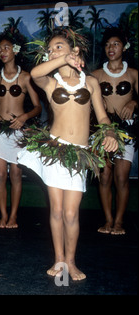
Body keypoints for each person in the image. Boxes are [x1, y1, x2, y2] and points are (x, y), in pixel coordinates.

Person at [17, 27, 120, 281]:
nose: (53, 52)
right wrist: (61, 59)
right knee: (56, 210)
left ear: (75, 50)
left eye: (59, 47)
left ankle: (72, 261)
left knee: (71, 213)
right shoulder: (51, 82)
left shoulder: (91, 82)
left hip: (78, 154)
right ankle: (59, 259)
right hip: (55, 150)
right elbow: (34, 73)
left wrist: (109, 133)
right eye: (50, 50)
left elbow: (103, 115)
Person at [0, 33, 42, 228]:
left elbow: (38, 107)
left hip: (18, 131)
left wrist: (24, 117)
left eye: (6, 48)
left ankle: (13, 217)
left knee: (16, 175)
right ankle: (3, 216)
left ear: (16, 50)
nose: (2, 52)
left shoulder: (26, 77)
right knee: (0, 174)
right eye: (0, 49)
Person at [91, 27, 138, 235]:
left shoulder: (134, 74)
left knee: (121, 177)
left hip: (127, 132)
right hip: (102, 131)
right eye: (108, 44)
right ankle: (108, 220)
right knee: (104, 176)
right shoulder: (96, 75)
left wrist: (134, 102)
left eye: (116, 44)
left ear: (124, 46)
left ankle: (119, 221)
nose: (111, 48)